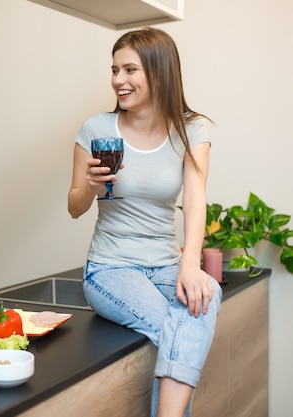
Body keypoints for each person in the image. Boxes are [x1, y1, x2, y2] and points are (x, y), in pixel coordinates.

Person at [67, 27, 221, 417]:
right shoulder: (97, 130)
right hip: (111, 266)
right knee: (177, 325)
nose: (118, 80)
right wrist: (88, 185)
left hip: (167, 263)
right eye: (114, 70)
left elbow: (195, 196)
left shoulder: (192, 130)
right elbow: (74, 207)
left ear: (159, 71)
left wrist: (190, 266)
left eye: (129, 70)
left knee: (205, 295)